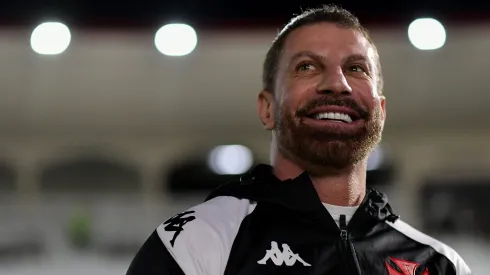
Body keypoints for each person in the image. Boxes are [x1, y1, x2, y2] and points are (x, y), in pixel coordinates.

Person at [126, 4, 471, 275]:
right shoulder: (196, 242)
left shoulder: (441, 265)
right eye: (307, 67)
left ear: (381, 111)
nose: (338, 84)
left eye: (357, 68)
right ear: (267, 108)